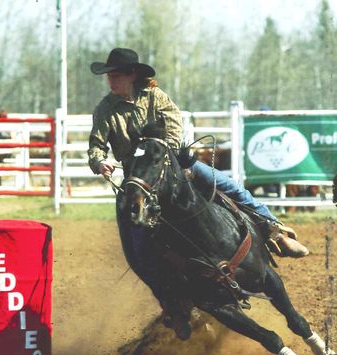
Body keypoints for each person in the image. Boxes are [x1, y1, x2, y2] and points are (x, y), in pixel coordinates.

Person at [88, 47, 308, 257]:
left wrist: (165, 155)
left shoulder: (155, 96)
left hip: (175, 163)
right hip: (139, 177)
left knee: (232, 189)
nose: (111, 81)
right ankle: (149, 269)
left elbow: (174, 127)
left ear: (131, 75)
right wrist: (99, 162)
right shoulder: (105, 109)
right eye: (110, 76)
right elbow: (96, 145)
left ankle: (277, 234)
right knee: (135, 230)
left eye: (116, 76)